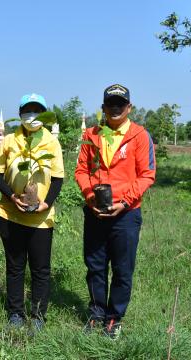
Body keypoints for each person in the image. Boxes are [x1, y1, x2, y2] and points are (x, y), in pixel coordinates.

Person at [75, 84, 156, 339]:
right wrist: (90, 197)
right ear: (103, 108)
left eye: (121, 103)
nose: (116, 108)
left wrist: (125, 202)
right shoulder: (91, 135)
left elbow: (147, 175)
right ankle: (97, 313)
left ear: (129, 107)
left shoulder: (140, 136)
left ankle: (114, 318)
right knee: (95, 266)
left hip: (127, 213)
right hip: (95, 212)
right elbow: (81, 171)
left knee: (122, 269)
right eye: (111, 103)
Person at [0, 93, 64, 333]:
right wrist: (12, 197)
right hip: (10, 213)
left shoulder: (51, 142)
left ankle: (38, 315)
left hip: (40, 217)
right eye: (28, 110)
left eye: (37, 110)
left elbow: (57, 178)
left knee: (40, 268)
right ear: (21, 112)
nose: (32, 116)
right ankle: (15, 312)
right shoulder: (10, 140)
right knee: (14, 266)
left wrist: (46, 203)